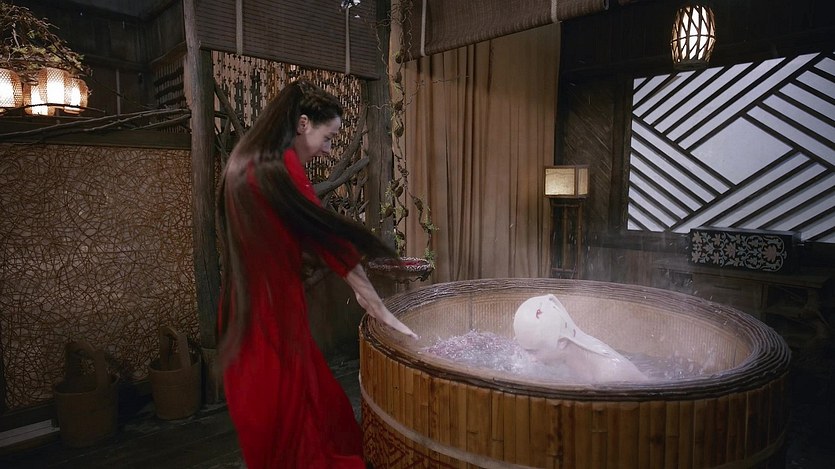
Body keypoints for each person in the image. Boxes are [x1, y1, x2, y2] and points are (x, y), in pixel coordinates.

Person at [215, 79, 417, 468]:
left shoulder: (245, 161)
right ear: (303, 124)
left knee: (293, 405)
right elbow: (329, 238)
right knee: (292, 419)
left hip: (245, 307)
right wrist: (378, 307)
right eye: (328, 138)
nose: (328, 149)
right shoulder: (281, 166)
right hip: (272, 314)